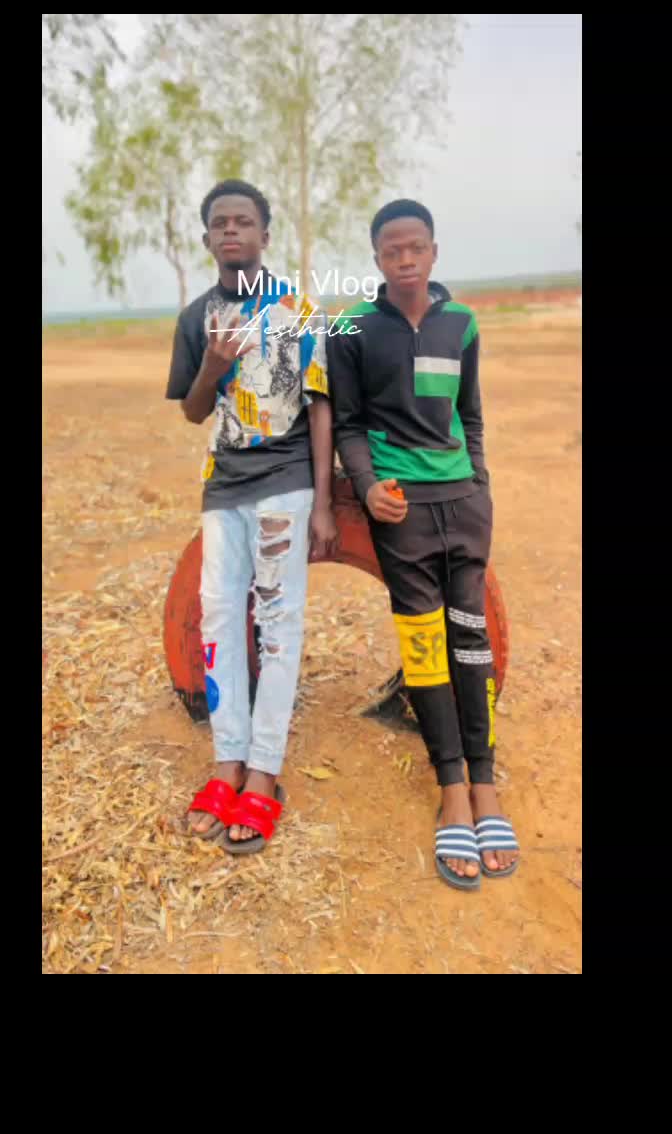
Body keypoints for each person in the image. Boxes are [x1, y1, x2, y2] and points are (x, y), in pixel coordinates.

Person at [327, 199, 520, 890]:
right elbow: (348, 423)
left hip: (463, 506)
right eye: (392, 251)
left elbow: (471, 415)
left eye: (416, 248)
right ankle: (452, 792)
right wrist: (367, 485)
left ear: (434, 251)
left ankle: (485, 786)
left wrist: (480, 487)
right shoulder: (352, 328)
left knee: (471, 640)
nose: (404, 260)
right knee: (424, 644)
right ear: (377, 258)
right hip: (402, 511)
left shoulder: (461, 323)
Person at [165, 179, 336, 854]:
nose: (231, 231)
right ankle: (226, 762)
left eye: (243, 221)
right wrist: (212, 365)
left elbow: (321, 407)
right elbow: (192, 411)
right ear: (207, 239)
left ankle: (264, 771)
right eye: (219, 223)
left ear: (265, 233)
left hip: (285, 484)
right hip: (223, 486)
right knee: (217, 619)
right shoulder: (195, 317)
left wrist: (325, 503)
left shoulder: (299, 310)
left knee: (277, 622)